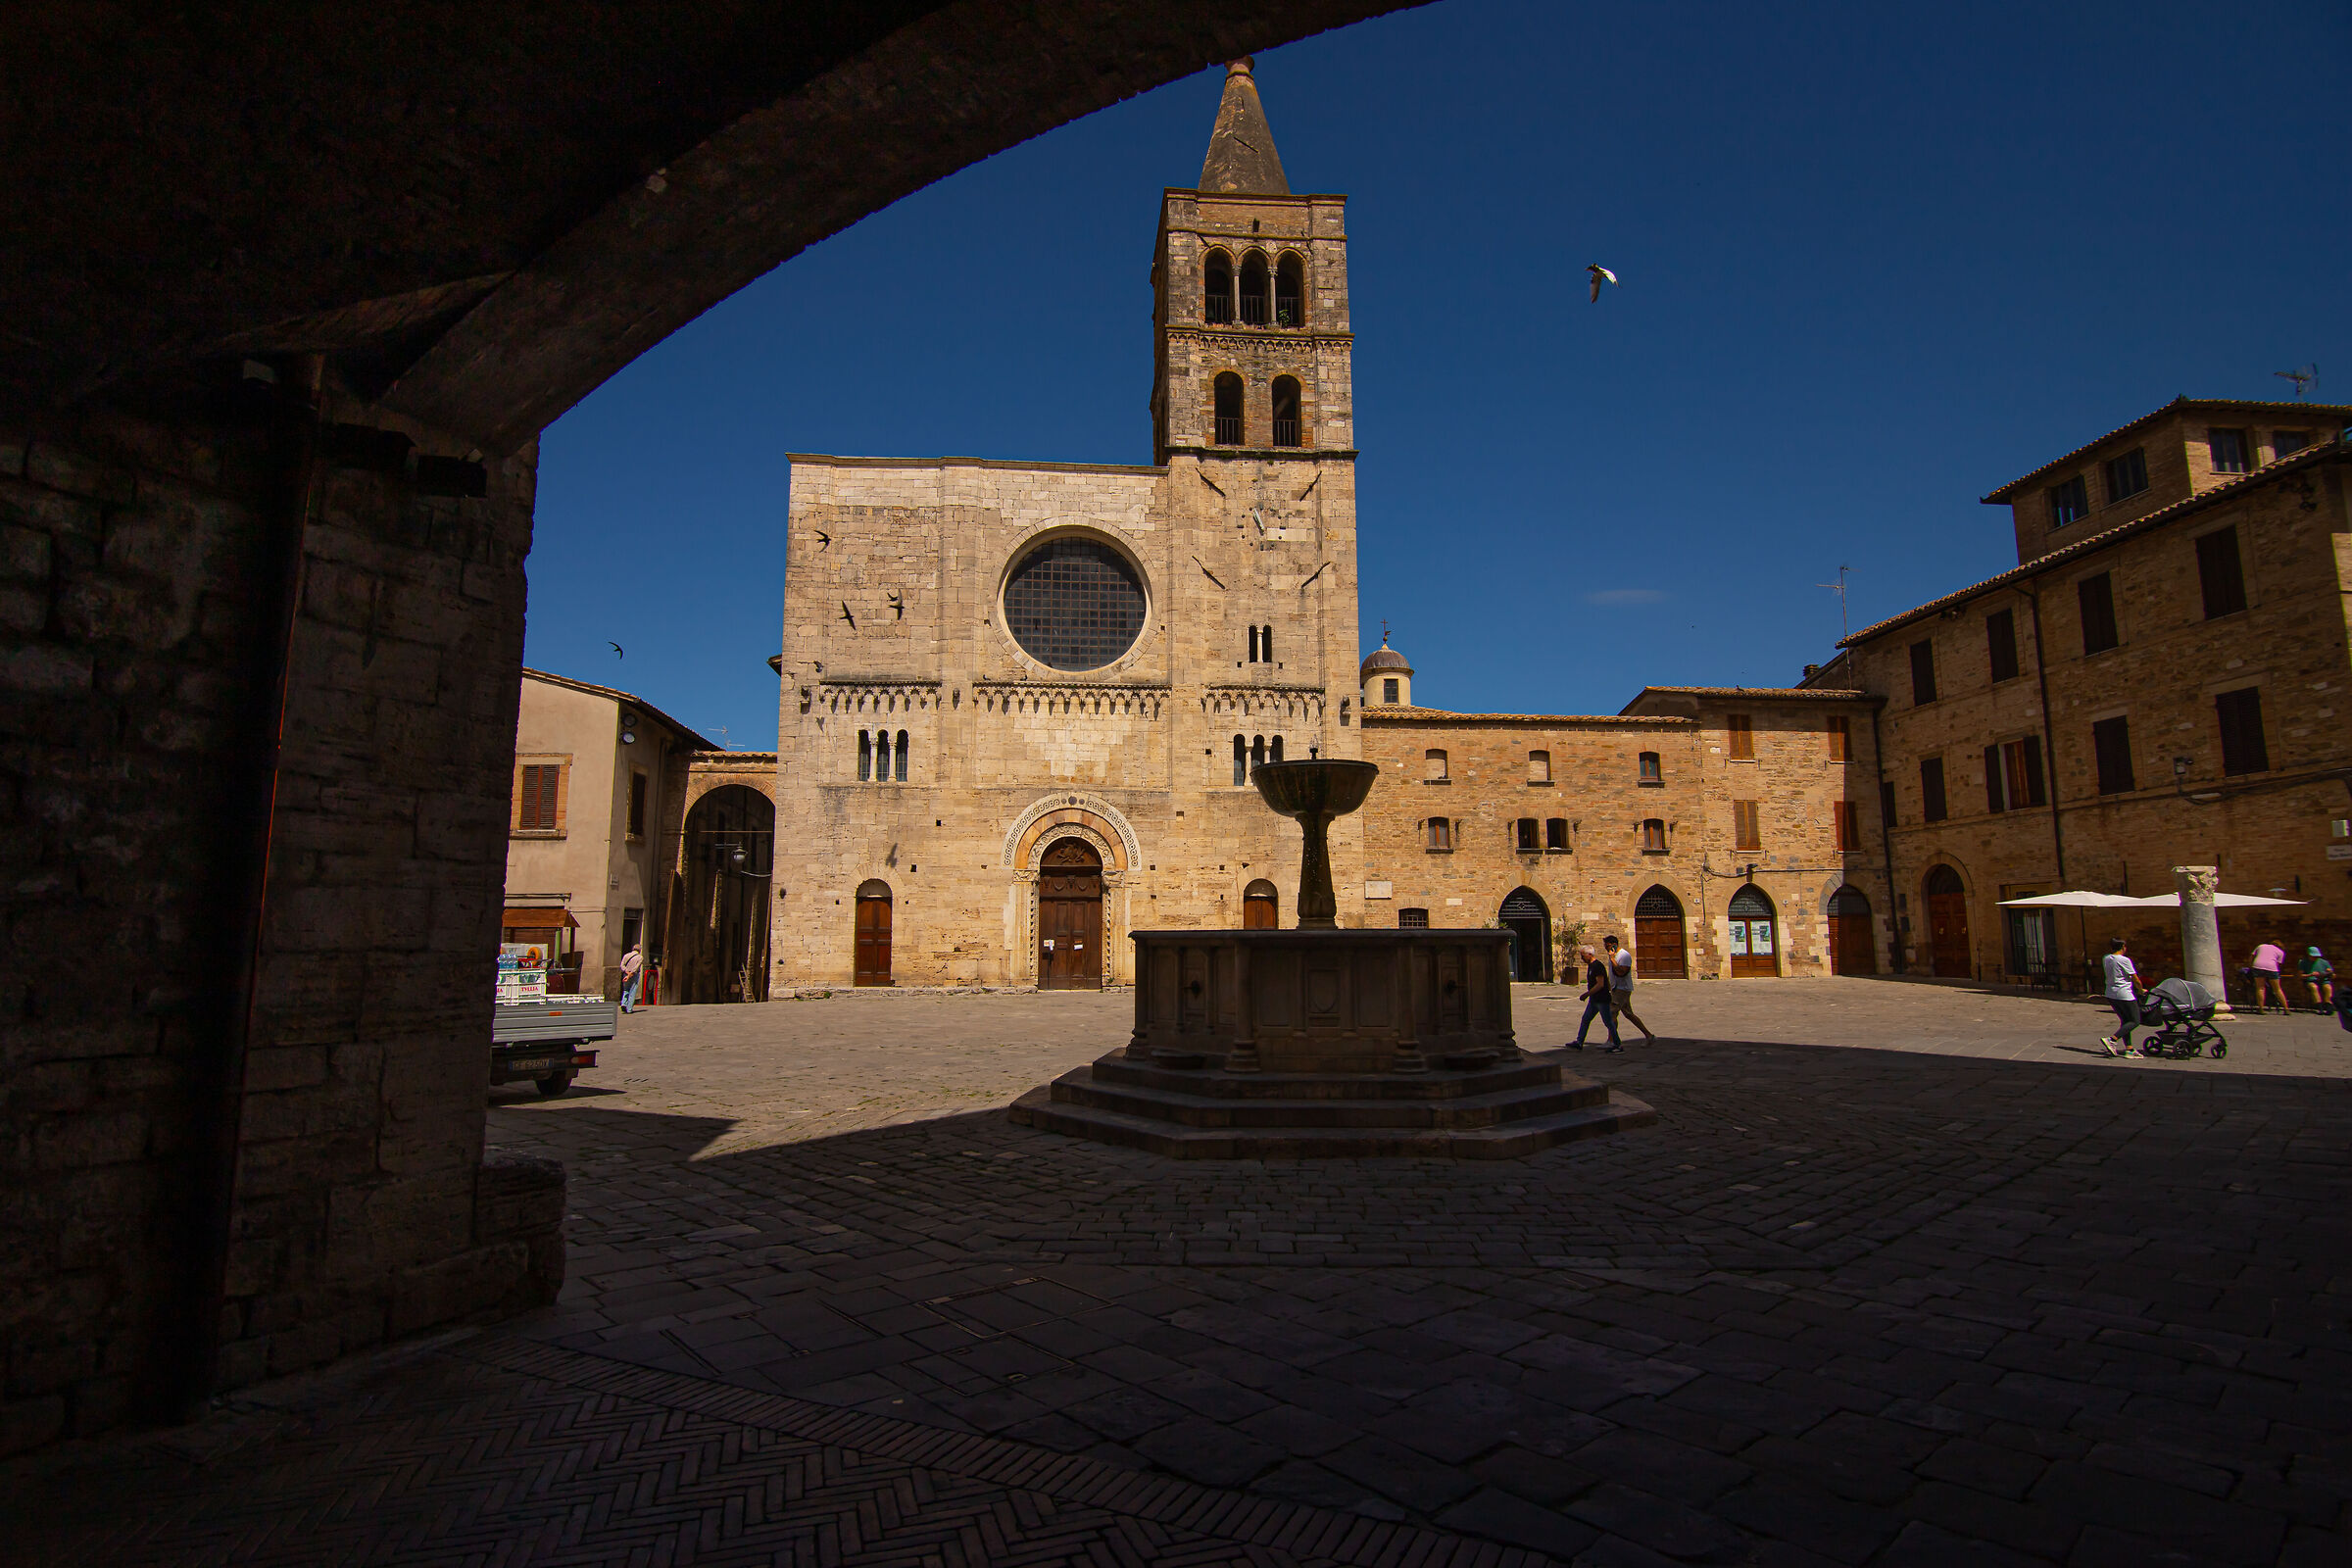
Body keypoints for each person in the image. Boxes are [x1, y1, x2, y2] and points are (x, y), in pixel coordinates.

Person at [1603, 934, 1658, 1043]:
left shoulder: (1624, 956)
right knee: (1628, 1014)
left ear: (1614, 944)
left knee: (1611, 1013)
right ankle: (1649, 1035)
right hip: (1615, 988)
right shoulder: (1612, 956)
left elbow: (1622, 972)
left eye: (1607, 945)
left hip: (1622, 989)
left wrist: (1613, 959)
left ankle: (1612, 1041)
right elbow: (1612, 974)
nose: (1606, 948)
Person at [1568, 945, 1620, 1052]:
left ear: (1590, 955)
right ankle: (1579, 1042)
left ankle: (1617, 1044)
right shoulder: (1591, 966)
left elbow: (1600, 984)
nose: (1582, 958)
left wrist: (1587, 994)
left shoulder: (1597, 966)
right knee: (1586, 1019)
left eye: (1583, 956)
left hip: (1602, 999)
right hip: (1594, 1000)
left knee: (1608, 1022)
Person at [2098, 937, 2141, 1057]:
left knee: (2125, 1021)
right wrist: (2141, 990)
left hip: (2111, 993)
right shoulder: (2124, 960)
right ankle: (2112, 1039)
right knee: (2135, 1021)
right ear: (2123, 947)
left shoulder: (2106, 958)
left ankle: (2129, 1049)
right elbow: (2135, 978)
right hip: (2124, 994)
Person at [2250, 939, 2288, 1013]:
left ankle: (2261, 1009)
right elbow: (2278, 964)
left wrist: (2251, 966)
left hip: (2258, 966)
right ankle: (2286, 1008)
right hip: (2272, 967)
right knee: (2277, 989)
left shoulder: (2261, 946)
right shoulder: (2281, 952)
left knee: (2260, 988)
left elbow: (2252, 956)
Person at [2299, 946, 2333, 1013]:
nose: (2315, 958)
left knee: (2328, 988)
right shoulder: (2303, 962)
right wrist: (2310, 975)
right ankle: (2319, 1006)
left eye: (2317, 956)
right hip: (2310, 980)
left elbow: (2333, 975)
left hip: (2323, 980)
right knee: (2314, 987)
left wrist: (2330, 973)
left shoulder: (2324, 962)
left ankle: (2328, 1005)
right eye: (2313, 956)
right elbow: (2301, 975)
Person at [618, 943, 645, 1013]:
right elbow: (636, 968)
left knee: (626, 989)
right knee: (632, 991)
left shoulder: (626, 955)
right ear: (640, 950)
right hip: (634, 975)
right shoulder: (640, 957)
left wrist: (627, 972)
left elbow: (622, 965)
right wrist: (630, 974)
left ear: (633, 949)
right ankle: (629, 1008)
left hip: (626, 974)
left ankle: (624, 1003)